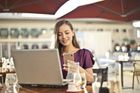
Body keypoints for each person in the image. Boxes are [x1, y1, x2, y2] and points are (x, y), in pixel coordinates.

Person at [54, 19, 94, 84]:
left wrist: (78, 69)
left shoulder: (84, 53)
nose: (64, 37)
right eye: (59, 34)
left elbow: (91, 79)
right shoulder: (55, 56)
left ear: (73, 33)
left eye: (67, 33)